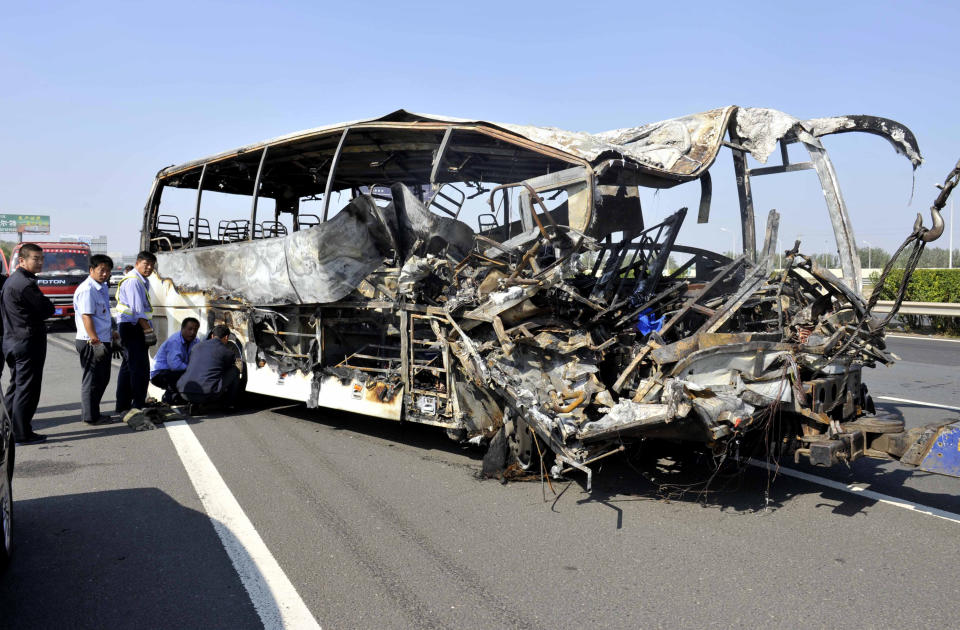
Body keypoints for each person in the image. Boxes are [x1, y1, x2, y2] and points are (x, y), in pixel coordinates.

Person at [1, 243, 55, 444]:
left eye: (41, 259)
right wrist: (49, 305)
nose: (40, 262)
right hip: (26, 342)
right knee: (27, 389)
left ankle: (6, 427)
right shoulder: (24, 284)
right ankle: (22, 433)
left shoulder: (13, 281)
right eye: (35, 258)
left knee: (16, 387)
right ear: (22, 260)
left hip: (13, 341)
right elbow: (46, 309)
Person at [73, 254, 119, 425]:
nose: (105, 273)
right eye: (101, 270)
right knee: (92, 380)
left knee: (102, 379)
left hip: (102, 339)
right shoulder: (88, 289)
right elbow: (87, 318)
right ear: (91, 270)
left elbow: (104, 313)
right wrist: (96, 341)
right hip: (91, 341)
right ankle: (91, 416)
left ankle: (94, 412)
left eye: (108, 270)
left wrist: (113, 330)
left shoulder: (101, 287)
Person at [115, 251, 157, 413]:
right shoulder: (134, 282)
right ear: (138, 263)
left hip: (131, 327)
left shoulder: (141, 280)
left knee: (128, 368)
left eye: (152, 266)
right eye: (146, 264)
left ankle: (123, 405)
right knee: (139, 369)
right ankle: (137, 405)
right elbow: (138, 311)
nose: (149, 268)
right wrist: (148, 330)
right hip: (133, 328)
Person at [176, 325, 241, 409]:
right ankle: (229, 405)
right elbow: (227, 368)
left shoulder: (196, 347)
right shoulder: (227, 352)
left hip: (184, 392)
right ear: (226, 337)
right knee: (234, 370)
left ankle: (194, 403)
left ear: (212, 336)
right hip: (206, 394)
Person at [150, 317, 200, 403]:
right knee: (183, 376)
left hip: (173, 371)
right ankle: (168, 399)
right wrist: (191, 369)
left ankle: (175, 399)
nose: (192, 333)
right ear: (182, 328)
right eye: (190, 329)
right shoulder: (175, 341)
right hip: (159, 374)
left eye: (195, 330)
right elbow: (175, 366)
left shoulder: (196, 341)